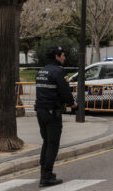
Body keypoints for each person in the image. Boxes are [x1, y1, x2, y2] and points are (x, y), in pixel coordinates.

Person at [35, 46, 77, 187]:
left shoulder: (41, 71)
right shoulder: (58, 72)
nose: (64, 58)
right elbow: (65, 91)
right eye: (63, 55)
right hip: (52, 112)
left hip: (40, 111)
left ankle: (44, 173)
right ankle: (46, 177)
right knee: (53, 144)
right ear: (57, 56)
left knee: (46, 142)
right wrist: (72, 104)